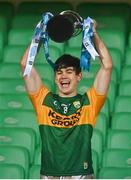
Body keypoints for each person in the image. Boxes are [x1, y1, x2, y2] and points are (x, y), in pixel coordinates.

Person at [21, 20, 112, 179]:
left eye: (69, 71)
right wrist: (40, 36)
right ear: (55, 78)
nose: (63, 76)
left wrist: (92, 33)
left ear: (79, 76)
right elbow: (25, 65)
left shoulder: (89, 103)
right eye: (59, 72)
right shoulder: (43, 100)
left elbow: (107, 66)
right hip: (50, 176)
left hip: (81, 175)